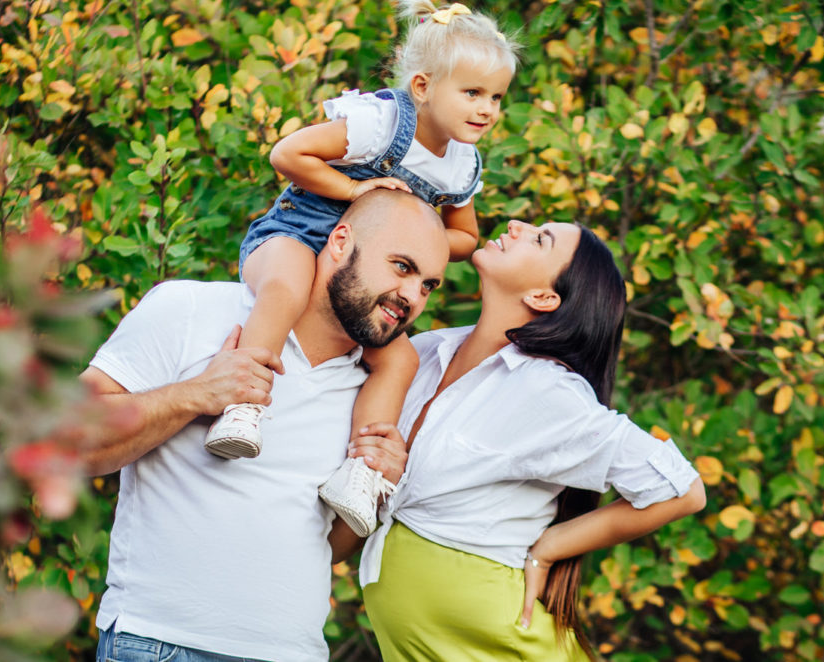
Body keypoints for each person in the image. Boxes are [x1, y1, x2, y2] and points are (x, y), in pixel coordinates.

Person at [78, 190, 449, 662]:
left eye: (428, 285)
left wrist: (379, 489)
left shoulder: (378, 389)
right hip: (160, 643)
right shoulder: (191, 309)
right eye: (402, 266)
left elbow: (327, 547)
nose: (412, 297)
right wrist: (196, 393)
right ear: (340, 242)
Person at [204, 0, 519, 538]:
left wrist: (410, 236)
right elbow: (289, 155)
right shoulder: (382, 123)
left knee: (397, 361)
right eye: (472, 93)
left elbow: (465, 235)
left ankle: (362, 468)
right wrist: (356, 189)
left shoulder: (461, 162)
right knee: (286, 286)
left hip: (363, 272)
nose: (487, 108)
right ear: (422, 87)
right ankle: (244, 404)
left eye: (495, 97)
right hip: (298, 234)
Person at [356, 220, 708, 660]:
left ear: (543, 297)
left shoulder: (547, 392)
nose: (516, 225)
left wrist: (550, 548)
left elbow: (683, 490)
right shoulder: (424, 352)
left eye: (541, 239)